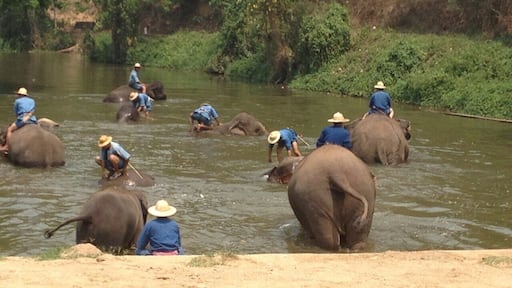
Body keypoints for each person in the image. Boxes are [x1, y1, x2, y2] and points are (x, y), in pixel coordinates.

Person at [0, 87, 38, 152]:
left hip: (22, 119)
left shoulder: (17, 101)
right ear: (26, 95)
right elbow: (33, 110)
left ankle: (6, 146)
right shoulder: (32, 100)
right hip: (33, 119)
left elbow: (16, 113)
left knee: (10, 129)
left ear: (19, 95)